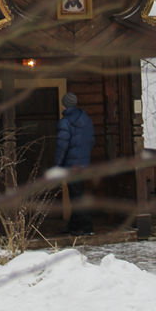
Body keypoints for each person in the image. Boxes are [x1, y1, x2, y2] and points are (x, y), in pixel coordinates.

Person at [54, 92, 95, 235]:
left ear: (64, 104)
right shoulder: (86, 119)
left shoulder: (65, 122)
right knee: (77, 194)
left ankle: (86, 227)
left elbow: (62, 146)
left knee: (76, 196)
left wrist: (58, 165)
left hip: (71, 165)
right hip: (83, 164)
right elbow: (91, 141)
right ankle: (74, 226)